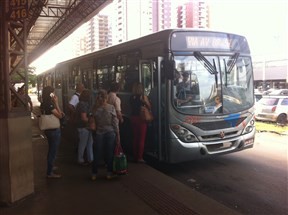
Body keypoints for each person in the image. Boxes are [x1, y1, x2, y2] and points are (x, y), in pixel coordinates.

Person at [91, 90, 120, 180]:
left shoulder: (95, 109)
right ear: (106, 98)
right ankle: (109, 173)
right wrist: (118, 134)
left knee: (97, 153)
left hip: (99, 132)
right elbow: (115, 122)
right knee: (109, 153)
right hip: (110, 132)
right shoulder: (111, 108)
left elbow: (91, 119)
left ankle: (94, 174)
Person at [40, 86, 64, 178]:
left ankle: (51, 166)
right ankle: (49, 172)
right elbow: (60, 115)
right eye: (53, 93)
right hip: (53, 130)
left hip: (48, 130)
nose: (54, 94)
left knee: (51, 149)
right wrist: (56, 103)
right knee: (53, 151)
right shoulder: (49, 104)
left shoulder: (43, 103)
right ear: (50, 94)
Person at [129, 82, 151, 163]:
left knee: (135, 138)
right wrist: (145, 102)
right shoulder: (143, 96)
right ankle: (140, 157)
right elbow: (149, 106)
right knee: (141, 139)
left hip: (133, 118)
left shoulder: (131, 97)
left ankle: (135, 156)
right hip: (141, 118)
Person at [75, 89, 94, 165]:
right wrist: (92, 123)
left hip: (85, 127)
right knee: (83, 144)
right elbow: (83, 118)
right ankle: (81, 159)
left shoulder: (82, 103)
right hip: (83, 127)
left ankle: (90, 159)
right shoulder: (83, 104)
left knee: (89, 143)